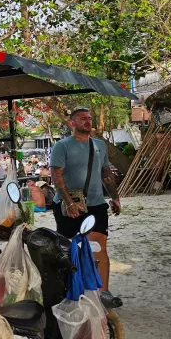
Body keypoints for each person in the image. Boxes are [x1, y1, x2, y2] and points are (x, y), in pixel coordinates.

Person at [49, 107, 121, 290]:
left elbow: (106, 172)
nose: (88, 121)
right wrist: (68, 202)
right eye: (83, 119)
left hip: (96, 204)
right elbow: (56, 176)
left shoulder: (99, 145)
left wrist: (115, 197)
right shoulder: (62, 146)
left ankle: (103, 293)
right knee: (71, 249)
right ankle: (73, 290)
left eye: (89, 118)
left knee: (98, 247)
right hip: (68, 205)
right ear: (72, 123)